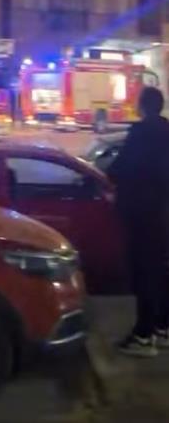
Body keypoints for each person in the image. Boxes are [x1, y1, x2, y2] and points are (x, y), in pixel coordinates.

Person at [108, 86, 169, 357]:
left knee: (144, 275)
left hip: (143, 215)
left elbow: (120, 168)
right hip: (164, 214)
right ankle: (163, 328)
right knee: (163, 272)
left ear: (142, 106)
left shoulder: (141, 133)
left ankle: (144, 336)